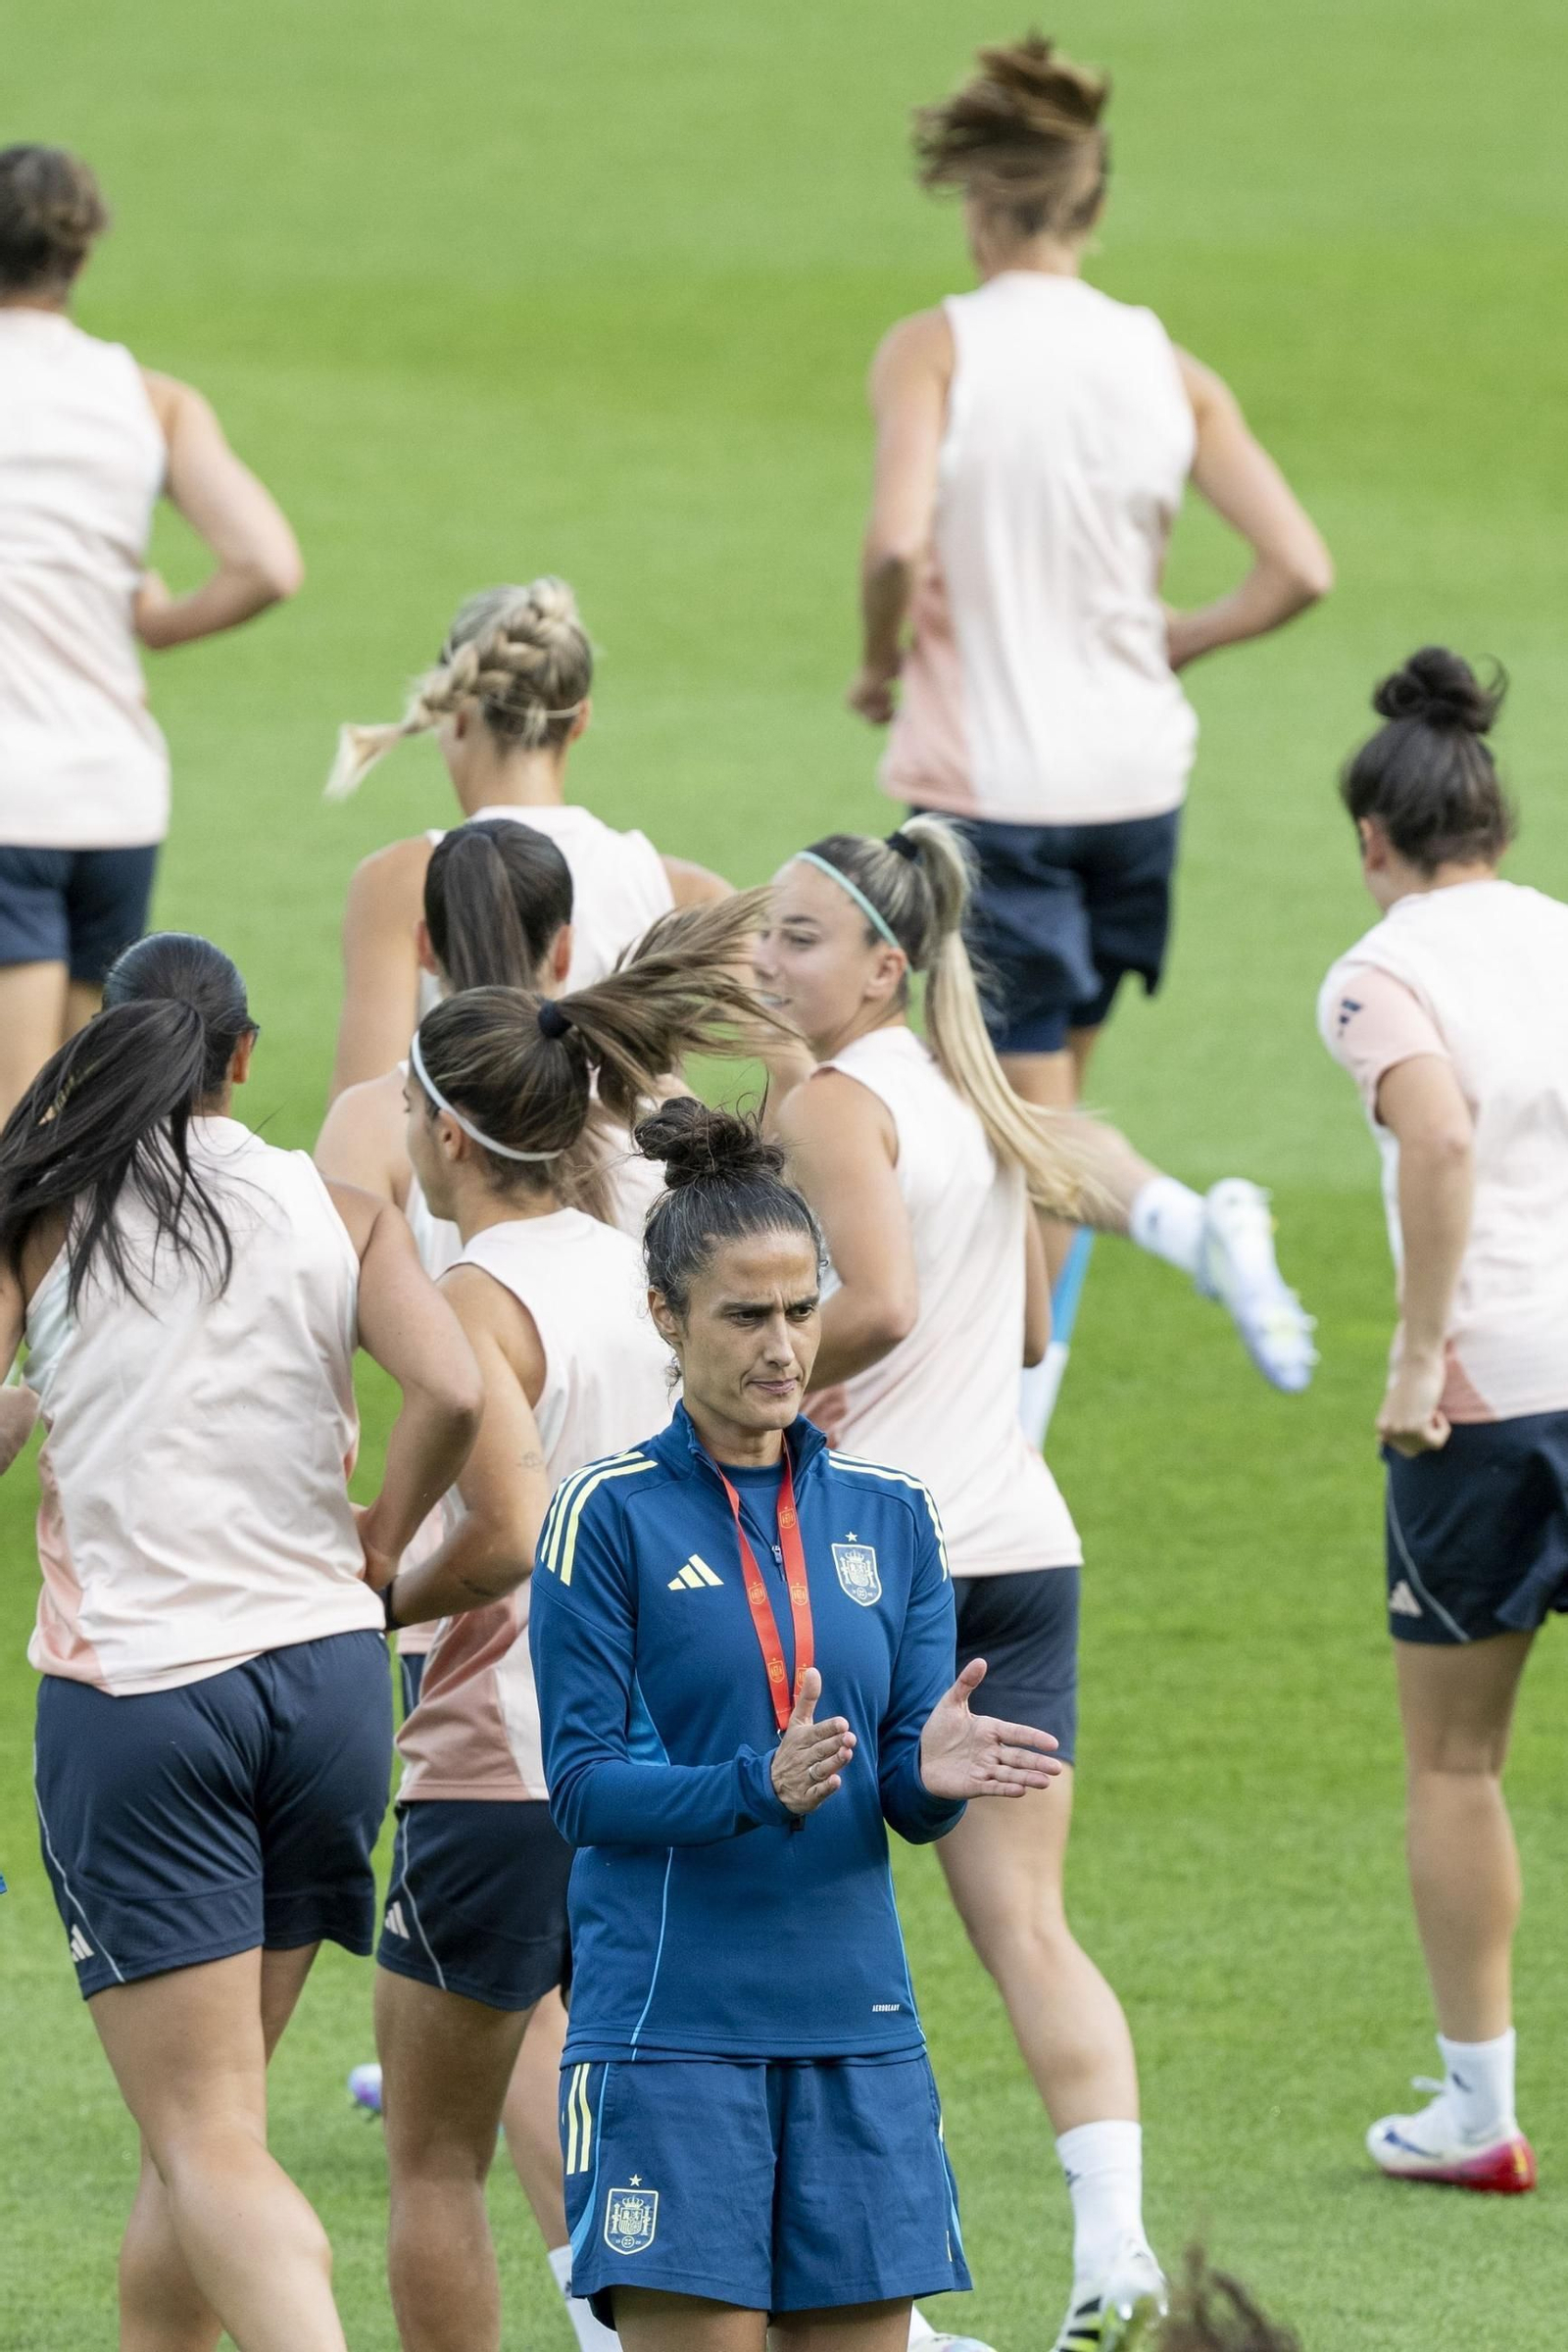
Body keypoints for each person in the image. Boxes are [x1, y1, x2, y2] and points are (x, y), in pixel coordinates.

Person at [755, 818, 1312, 2350]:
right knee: (1030, 1931)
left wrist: (749, 1387)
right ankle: (1113, 2257)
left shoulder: (836, 1104)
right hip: (1022, 1548)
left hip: (884, 1567)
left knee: (804, 1938)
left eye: (797, 938)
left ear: (882, 961)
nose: (762, 957)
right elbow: (1016, 1337)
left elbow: (878, 1306)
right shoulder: (977, 1093)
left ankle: (880, 2307)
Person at [0, 932, 482, 2352]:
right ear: (245, 1059)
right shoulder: (337, 1209)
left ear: (110, 1049)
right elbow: (448, 1388)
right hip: (329, 1691)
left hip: (143, 1701)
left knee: (207, 2138)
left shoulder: (49, 1210)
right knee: (206, 2134)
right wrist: (384, 1540)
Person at [529, 1098, 1065, 2351]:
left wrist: (928, 1779)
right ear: (666, 1317)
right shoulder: (603, 1517)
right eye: (746, 1315)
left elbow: (899, 1787)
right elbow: (580, 1786)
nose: (785, 1347)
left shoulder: (893, 1516)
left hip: (857, 2029)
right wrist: (748, 1787)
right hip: (669, 2034)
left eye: (803, 1308)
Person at [371, 941, 781, 2352]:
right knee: (647, 2129)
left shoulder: (483, 1297)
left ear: (445, 1131)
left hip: (509, 1762)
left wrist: (376, 1595)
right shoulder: (641, 1268)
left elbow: (507, 1528)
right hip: (675, 1759)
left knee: (435, 2159)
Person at [849, 35, 1331, 1165]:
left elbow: (890, 548)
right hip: (1134, 785)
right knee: (1051, 1097)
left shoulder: (933, 351)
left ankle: (1183, 1231)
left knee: (1014, 1117)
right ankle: (1043, 1347)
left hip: (987, 794)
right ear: (1091, 206)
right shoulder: (1166, 366)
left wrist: (878, 664)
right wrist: (1183, 641)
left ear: (977, 206)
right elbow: (1298, 568)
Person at [1317, 649, 1567, 2197]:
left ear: (1375, 838)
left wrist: (1418, 1359)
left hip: (1487, 1400)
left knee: (1457, 1763)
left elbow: (1442, 1133)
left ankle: (1479, 2112)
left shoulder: (1377, 973)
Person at [0, 146, 303, 1118]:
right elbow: (267, 563)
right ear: (81, 257)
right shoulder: (150, 400)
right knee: (75, 1122)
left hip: (8, 799)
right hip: (116, 799)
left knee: (11, 1124)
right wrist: (161, 625)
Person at [323, 574, 729, 1098]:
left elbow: (362, 1112)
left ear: (458, 714)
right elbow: (782, 1084)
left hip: (460, 1176)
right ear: (580, 719)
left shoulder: (397, 882)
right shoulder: (690, 893)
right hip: (642, 1181)